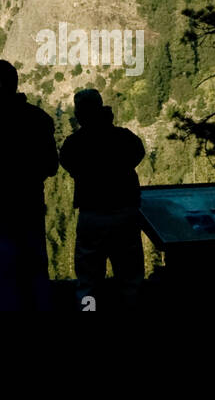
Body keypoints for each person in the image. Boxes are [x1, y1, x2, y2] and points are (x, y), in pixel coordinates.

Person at [0, 60, 58, 311]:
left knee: (2, 282)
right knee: (36, 277)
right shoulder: (41, 120)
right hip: (29, 211)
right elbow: (51, 167)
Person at [60, 89, 146, 310]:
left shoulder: (74, 144)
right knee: (130, 279)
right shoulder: (125, 138)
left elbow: (67, 162)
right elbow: (138, 153)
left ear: (79, 113)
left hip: (92, 215)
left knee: (88, 281)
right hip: (125, 213)